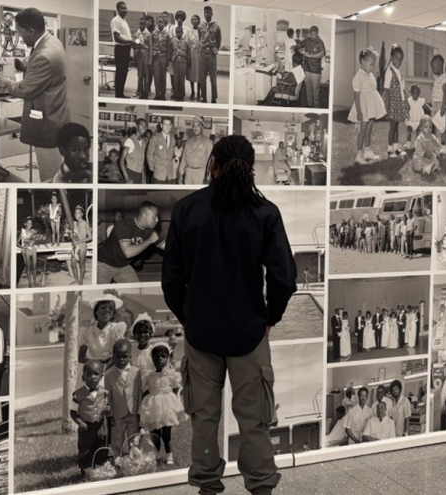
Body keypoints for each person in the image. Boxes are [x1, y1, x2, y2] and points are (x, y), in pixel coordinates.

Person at [162, 135, 297, 495]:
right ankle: (262, 489)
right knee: (254, 423)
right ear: (251, 169)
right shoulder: (265, 212)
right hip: (249, 333)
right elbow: (284, 278)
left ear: (214, 165)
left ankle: (207, 488)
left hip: (201, 334)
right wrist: (271, 316)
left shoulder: (187, 209)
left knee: (204, 420)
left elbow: (171, 280)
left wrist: (187, 317)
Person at [0, 8, 70, 180]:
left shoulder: (45, 55)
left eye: (20, 32)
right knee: (54, 171)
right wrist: (25, 66)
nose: (19, 37)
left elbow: (26, 89)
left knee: (50, 177)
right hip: (56, 115)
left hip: (48, 125)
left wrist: (7, 84)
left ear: (32, 31)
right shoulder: (51, 41)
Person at [139, 344, 187, 467]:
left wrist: (174, 401)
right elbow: (147, 390)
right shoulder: (149, 376)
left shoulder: (171, 374)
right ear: (152, 359)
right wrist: (142, 403)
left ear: (167, 358)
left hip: (167, 406)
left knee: (167, 434)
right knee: (155, 433)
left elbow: (176, 388)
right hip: (154, 406)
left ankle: (169, 456)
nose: (160, 359)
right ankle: (157, 455)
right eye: (156, 357)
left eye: (163, 356)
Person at [97, 202, 165, 284]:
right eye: (154, 217)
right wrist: (150, 241)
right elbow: (128, 253)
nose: (157, 220)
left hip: (123, 266)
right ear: (144, 216)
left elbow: (167, 247)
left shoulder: (150, 231)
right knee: (101, 293)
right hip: (104, 264)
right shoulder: (123, 225)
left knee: (136, 292)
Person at [71, 360, 110, 477]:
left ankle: (99, 468)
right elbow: (73, 412)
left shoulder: (104, 393)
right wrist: (80, 423)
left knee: (101, 445)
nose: (92, 377)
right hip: (86, 428)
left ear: (101, 376)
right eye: (89, 374)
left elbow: (106, 406)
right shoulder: (78, 394)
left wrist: (108, 409)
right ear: (83, 377)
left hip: (100, 426)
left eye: (96, 374)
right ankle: (85, 470)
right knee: (86, 448)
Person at [105, 339, 143, 456]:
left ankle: (136, 458)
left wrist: (140, 412)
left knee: (135, 438)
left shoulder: (136, 372)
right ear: (113, 356)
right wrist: (110, 414)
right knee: (117, 439)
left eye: (124, 356)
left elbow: (139, 392)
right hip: (117, 414)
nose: (121, 359)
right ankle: (117, 459)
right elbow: (108, 396)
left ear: (130, 357)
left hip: (133, 412)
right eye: (118, 356)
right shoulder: (108, 375)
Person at [349, 47, 387, 164]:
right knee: (363, 131)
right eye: (370, 64)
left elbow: (373, 91)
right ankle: (359, 154)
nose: (372, 67)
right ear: (362, 62)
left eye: (373, 65)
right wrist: (359, 111)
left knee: (369, 130)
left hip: (371, 108)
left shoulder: (370, 75)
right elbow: (356, 96)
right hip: (363, 108)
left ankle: (367, 150)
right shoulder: (358, 77)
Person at [79, 294, 129, 367]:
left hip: (112, 368)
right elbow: (81, 358)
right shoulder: (87, 332)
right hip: (94, 368)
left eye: (110, 308)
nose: (107, 310)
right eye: (103, 307)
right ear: (96, 311)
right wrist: (99, 361)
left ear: (113, 313)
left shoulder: (116, 330)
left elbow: (121, 353)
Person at [383, 44, 409, 159]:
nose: (398, 61)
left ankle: (396, 147)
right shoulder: (389, 71)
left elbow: (403, 90)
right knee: (392, 126)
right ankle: (389, 149)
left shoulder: (400, 73)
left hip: (399, 103)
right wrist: (387, 103)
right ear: (391, 58)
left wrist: (406, 102)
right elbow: (386, 89)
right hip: (393, 103)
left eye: (400, 59)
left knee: (397, 125)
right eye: (396, 58)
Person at [179, 117, 213, 185]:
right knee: (188, 194)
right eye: (194, 125)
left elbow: (211, 162)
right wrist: (180, 174)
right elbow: (183, 160)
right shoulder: (188, 142)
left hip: (201, 174)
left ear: (202, 127)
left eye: (198, 125)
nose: (195, 127)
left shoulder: (208, 142)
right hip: (188, 174)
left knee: (199, 195)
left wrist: (208, 176)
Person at [198, 6, 221, 103]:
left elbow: (219, 41)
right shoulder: (200, 26)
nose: (206, 14)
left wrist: (214, 49)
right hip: (203, 53)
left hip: (212, 54)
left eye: (208, 12)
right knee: (202, 77)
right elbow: (200, 39)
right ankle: (204, 97)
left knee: (213, 78)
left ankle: (214, 98)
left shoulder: (216, 26)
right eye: (205, 13)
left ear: (212, 14)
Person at [111, 2, 134, 99]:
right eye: (122, 8)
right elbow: (117, 38)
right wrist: (130, 41)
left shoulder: (124, 20)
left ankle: (121, 93)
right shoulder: (115, 20)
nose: (125, 10)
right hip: (120, 49)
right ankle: (118, 94)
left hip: (126, 48)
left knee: (124, 71)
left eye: (126, 8)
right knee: (120, 71)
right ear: (118, 9)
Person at [300, 26, 325, 108]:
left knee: (315, 91)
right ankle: (309, 104)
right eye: (311, 34)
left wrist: (311, 56)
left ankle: (315, 107)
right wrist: (297, 47)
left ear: (317, 34)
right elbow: (301, 44)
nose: (312, 36)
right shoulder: (307, 40)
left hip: (315, 70)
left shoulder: (320, 42)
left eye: (313, 35)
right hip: (307, 69)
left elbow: (322, 53)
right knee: (308, 89)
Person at [429, 54, 446, 155]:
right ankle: (436, 144)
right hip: (435, 104)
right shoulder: (438, 78)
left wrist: (443, 106)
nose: (432, 69)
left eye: (433, 67)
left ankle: (444, 146)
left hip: (440, 104)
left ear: (439, 65)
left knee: (442, 127)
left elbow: (445, 92)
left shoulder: (444, 78)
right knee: (435, 125)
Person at [147, 118, 176, 183]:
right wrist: (153, 168)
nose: (167, 127)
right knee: (157, 193)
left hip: (169, 174)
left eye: (169, 125)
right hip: (158, 174)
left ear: (171, 126)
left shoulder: (173, 139)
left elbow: (172, 154)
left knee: (167, 193)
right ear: (161, 125)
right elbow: (149, 154)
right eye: (165, 124)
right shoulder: (155, 138)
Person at [121, 119, 149, 184]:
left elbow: (142, 162)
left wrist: (144, 177)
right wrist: (127, 177)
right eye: (141, 125)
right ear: (136, 126)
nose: (144, 128)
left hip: (140, 175)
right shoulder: (130, 141)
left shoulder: (143, 142)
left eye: (145, 126)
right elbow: (121, 160)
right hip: (131, 173)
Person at [71, 205, 92, 285]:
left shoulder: (85, 223)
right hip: (75, 246)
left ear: (82, 214)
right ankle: (76, 280)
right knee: (72, 264)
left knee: (81, 264)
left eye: (78, 213)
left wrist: (79, 241)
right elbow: (75, 234)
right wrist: (72, 238)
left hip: (82, 246)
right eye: (75, 213)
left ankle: (81, 282)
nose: (76, 215)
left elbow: (90, 238)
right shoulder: (75, 223)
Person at [150, 16, 171, 101]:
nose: (160, 23)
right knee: (156, 76)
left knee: (163, 76)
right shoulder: (153, 33)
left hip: (163, 56)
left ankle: (163, 94)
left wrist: (167, 59)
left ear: (164, 23)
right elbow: (151, 46)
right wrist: (151, 57)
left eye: (162, 22)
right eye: (159, 22)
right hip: (156, 56)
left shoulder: (167, 34)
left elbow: (169, 47)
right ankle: (157, 94)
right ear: (156, 23)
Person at [134, 17, 152, 99]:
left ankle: (146, 92)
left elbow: (151, 46)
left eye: (143, 24)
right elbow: (134, 45)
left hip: (146, 55)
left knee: (146, 75)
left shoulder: (148, 34)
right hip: (139, 55)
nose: (141, 26)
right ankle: (140, 91)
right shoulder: (136, 34)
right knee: (140, 75)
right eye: (140, 24)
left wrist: (150, 58)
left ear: (145, 24)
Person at [170, 26, 189, 102]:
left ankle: (181, 95)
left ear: (182, 33)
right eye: (177, 32)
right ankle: (176, 94)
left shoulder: (185, 41)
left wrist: (188, 60)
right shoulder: (172, 41)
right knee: (176, 78)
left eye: (180, 32)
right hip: (175, 61)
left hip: (183, 61)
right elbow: (170, 51)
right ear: (175, 33)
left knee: (182, 79)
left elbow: (188, 52)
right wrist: (170, 59)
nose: (178, 33)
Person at [18, 216, 38, 288]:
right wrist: (22, 247)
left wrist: (34, 241)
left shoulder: (33, 231)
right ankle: (30, 282)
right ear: (25, 224)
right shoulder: (22, 232)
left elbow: (35, 240)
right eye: (28, 223)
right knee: (28, 267)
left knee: (35, 266)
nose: (29, 224)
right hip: (26, 251)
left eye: (31, 223)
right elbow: (17, 243)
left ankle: (35, 281)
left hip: (33, 250)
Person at [405, 84, 426, 149]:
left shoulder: (420, 101)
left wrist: (431, 109)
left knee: (418, 131)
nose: (415, 95)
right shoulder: (409, 101)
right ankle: (408, 143)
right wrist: (405, 114)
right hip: (411, 119)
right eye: (414, 93)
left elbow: (425, 106)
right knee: (409, 131)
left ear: (419, 94)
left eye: (417, 93)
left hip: (418, 119)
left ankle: (417, 143)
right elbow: (406, 108)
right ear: (411, 93)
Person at [188, 15, 202, 101]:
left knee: (199, 74)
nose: (194, 21)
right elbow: (187, 42)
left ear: (199, 21)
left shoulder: (201, 30)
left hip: (200, 54)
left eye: (196, 19)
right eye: (192, 19)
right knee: (191, 74)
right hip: (191, 54)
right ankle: (192, 92)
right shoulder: (189, 31)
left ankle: (199, 93)